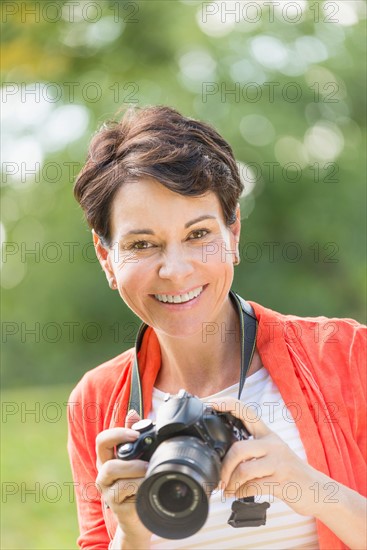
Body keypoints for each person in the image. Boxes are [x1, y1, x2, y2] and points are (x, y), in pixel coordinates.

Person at [67, 105, 366, 550]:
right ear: (106, 257)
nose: (176, 270)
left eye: (198, 234)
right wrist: (130, 533)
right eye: (142, 244)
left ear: (234, 233)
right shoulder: (95, 402)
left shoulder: (346, 354)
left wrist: (314, 490)